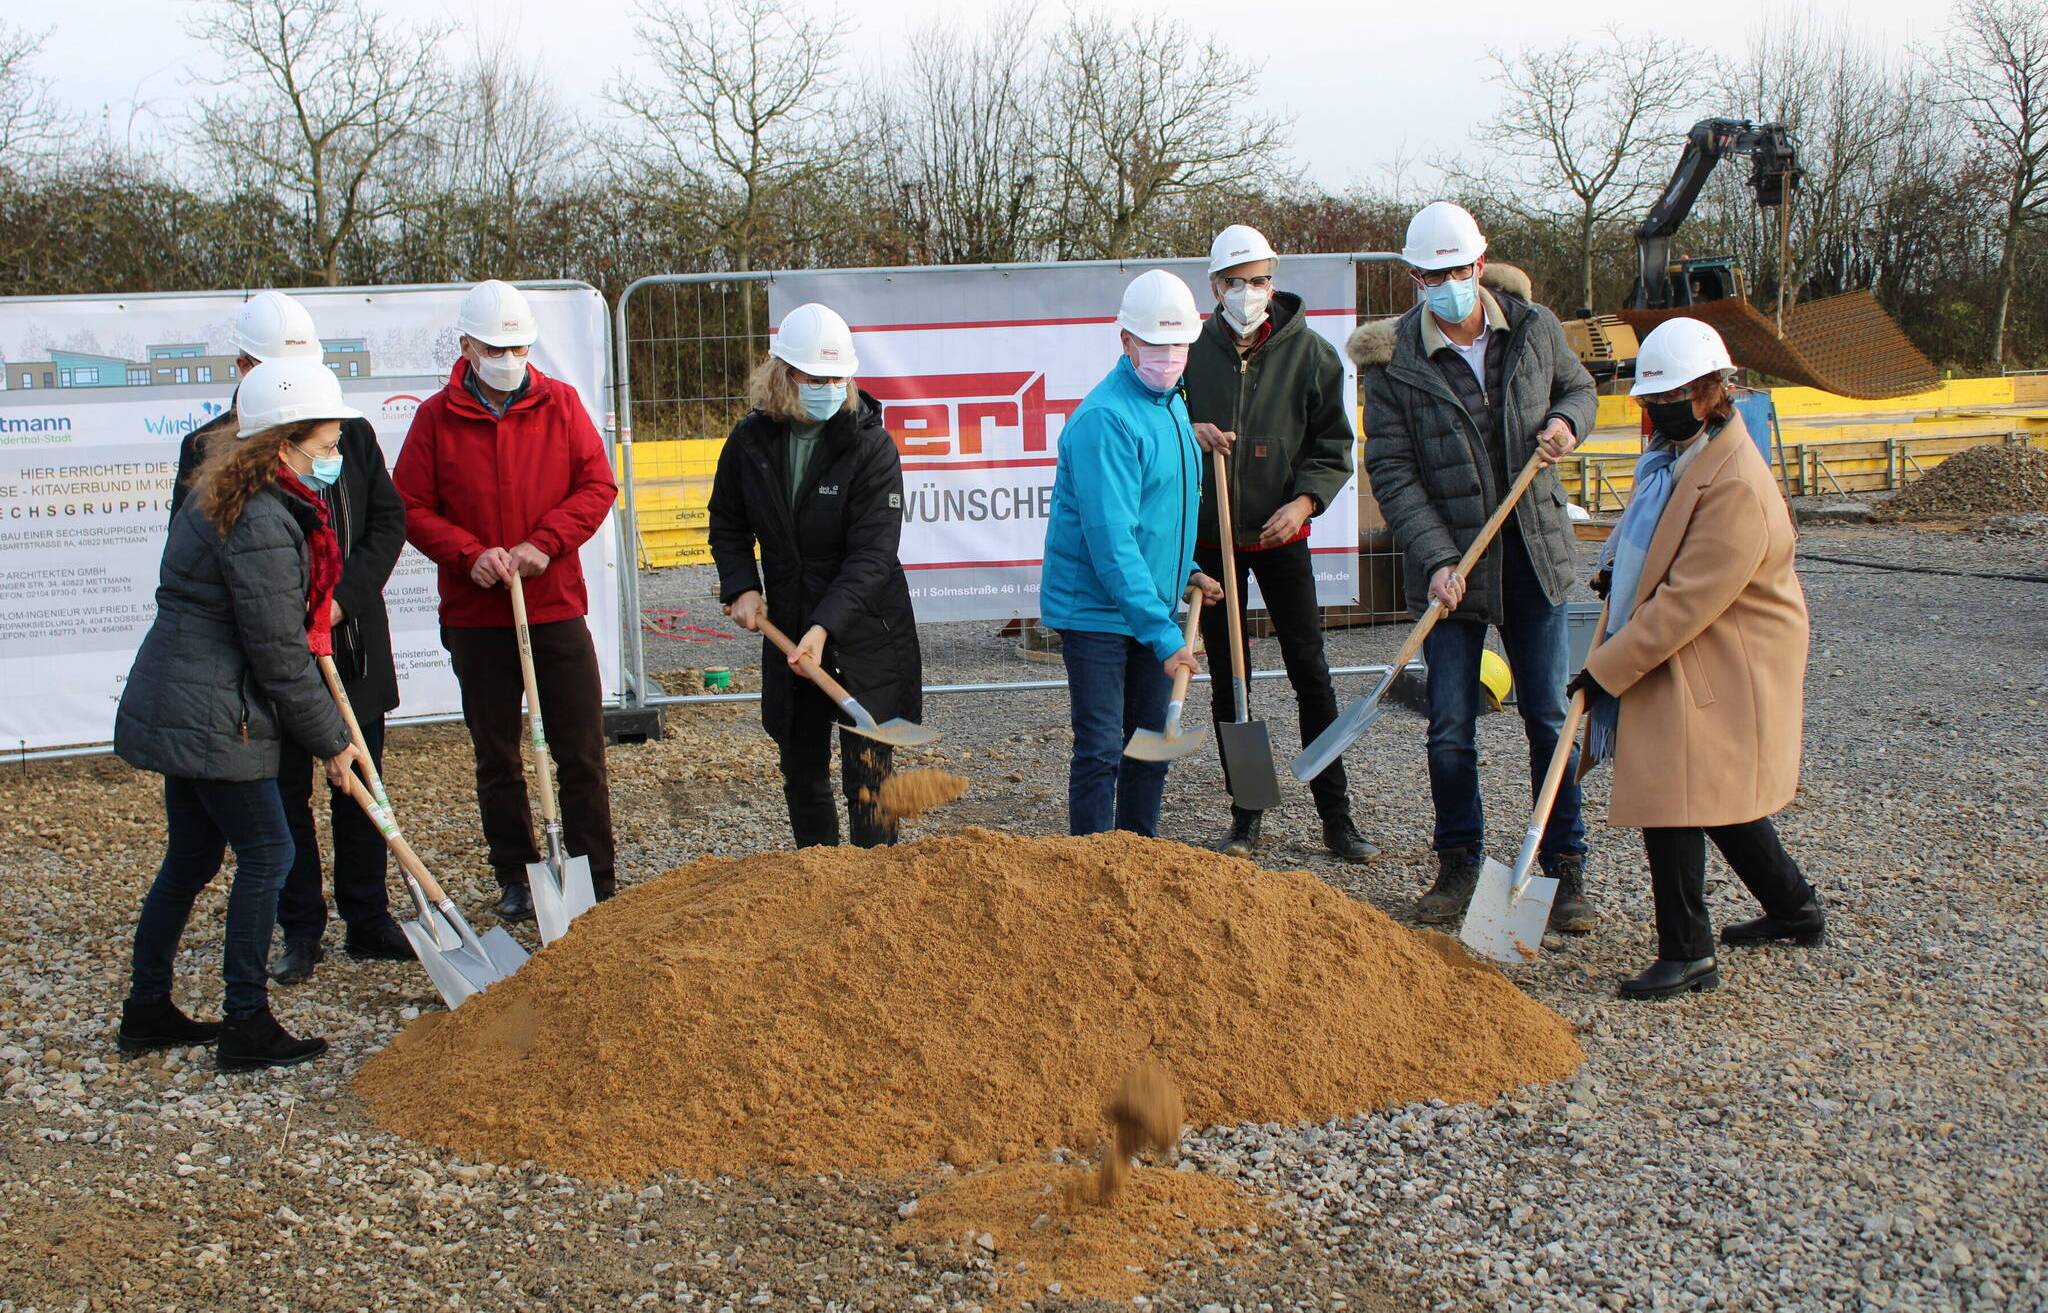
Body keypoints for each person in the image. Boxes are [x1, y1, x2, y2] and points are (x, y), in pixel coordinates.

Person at [114, 358, 367, 1071]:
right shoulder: (258, 519)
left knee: (191, 855)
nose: (334, 461)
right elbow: (277, 652)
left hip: (184, 701)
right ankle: (245, 1021)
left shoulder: (225, 491)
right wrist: (333, 742)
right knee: (270, 852)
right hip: (215, 713)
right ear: (279, 445)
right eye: (324, 448)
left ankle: (147, 1008)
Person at [1354, 201, 1599, 932]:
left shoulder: (1534, 328)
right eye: (1433, 274)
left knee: (1549, 715)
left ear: (1480, 265)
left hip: (1532, 551)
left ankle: (1564, 867)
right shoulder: (1394, 362)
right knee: (1450, 722)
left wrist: (1565, 424)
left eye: (1459, 270)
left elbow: (1579, 389)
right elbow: (1392, 473)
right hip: (1453, 561)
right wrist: (1434, 558)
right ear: (1414, 278)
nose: (1449, 284)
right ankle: (1459, 863)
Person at [1570, 318, 1823, 1000]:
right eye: (1650, 400)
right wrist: (1617, 571)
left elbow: (1686, 600)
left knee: (1674, 789)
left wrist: (1605, 669)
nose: (1658, 410)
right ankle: (1794, 906)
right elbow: (1660, 549)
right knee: (1713, 789)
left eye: (1672, 396)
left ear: (1714, 391)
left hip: (1731, 650)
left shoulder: (1735, 481)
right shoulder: (1681, 456)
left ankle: (1688, 951)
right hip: (1703, 640)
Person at [169, 290, 410, 985]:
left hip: (348, 644)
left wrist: (340, 600)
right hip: (267, 660)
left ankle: (369, 915)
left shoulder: (351, 434)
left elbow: (385, 524)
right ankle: (299, 926)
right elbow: (194, 553)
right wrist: (280, 613)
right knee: (283, 795)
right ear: (243, 366)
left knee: (360, 778)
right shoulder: (206, 449)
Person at [391, 279, 620, 921]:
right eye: (496, 346)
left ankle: (594, 876)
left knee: (579, 748)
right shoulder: (436, 419)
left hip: (553, 607)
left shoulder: (561, 404)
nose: (510, 357)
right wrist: (469, 554)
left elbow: (597, 485)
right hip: (477, 617)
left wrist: (546, 542)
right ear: (466, 346)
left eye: (519, 345)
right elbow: (408, 504)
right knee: (497, 754)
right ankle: (517, 875)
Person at [1183, 224, 1370, 862]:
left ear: (1274, 281)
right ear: (1214, 287)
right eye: (1234, 283)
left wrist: (1306, 501)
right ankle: (1248, 812)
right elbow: (1157, 419)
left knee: (1311, 675)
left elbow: (1332, 444)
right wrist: (1190, 431)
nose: (1247, 293)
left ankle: (1337, 817)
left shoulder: (1312, 354)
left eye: (1258, 280)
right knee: (1232, 679)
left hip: (1281, 536)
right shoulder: (1187, 352)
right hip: (1215, 543)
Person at [707, 303, 923, 848]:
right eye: (814, 378)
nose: (827, 387)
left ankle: (877, 893)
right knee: (802, 770)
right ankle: (818, 888)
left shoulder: (870, 446)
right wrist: (741, 586)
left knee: (870, 779)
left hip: (866, 630)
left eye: (836, 378)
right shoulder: (749, 443)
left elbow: (873, 555)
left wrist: (825, 627)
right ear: (783, 375)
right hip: (789, 622)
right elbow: (727, 522)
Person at [1040, 269, 1225, 837]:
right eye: (1155, 343)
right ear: (1126, 341)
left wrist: (1186, 571)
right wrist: (1167, 637)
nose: (1169, 355)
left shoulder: (1170, 406)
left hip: (1149, 606)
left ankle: (1140, 863)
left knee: (1150, 743)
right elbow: (1113, 543)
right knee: (1101, 747)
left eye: (1180, 344)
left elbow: (1160, 517)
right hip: (1096, 611)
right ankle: (1092, 869)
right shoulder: (1107, 419)